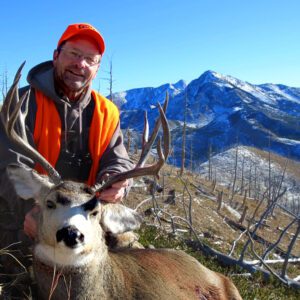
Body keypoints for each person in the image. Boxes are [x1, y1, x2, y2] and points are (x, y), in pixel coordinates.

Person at [0, 23, 133, 271]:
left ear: (97, 68)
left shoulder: (107, 112)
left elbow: (118, 159)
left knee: (128, 256)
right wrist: (33, 211)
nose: (80, 64)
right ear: (56, 56)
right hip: (34, 211)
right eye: (74, 54)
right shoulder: (21, 104)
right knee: (24, 268)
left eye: (89, 59)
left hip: (87, 212)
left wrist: (116, 182)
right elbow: (9, 167)